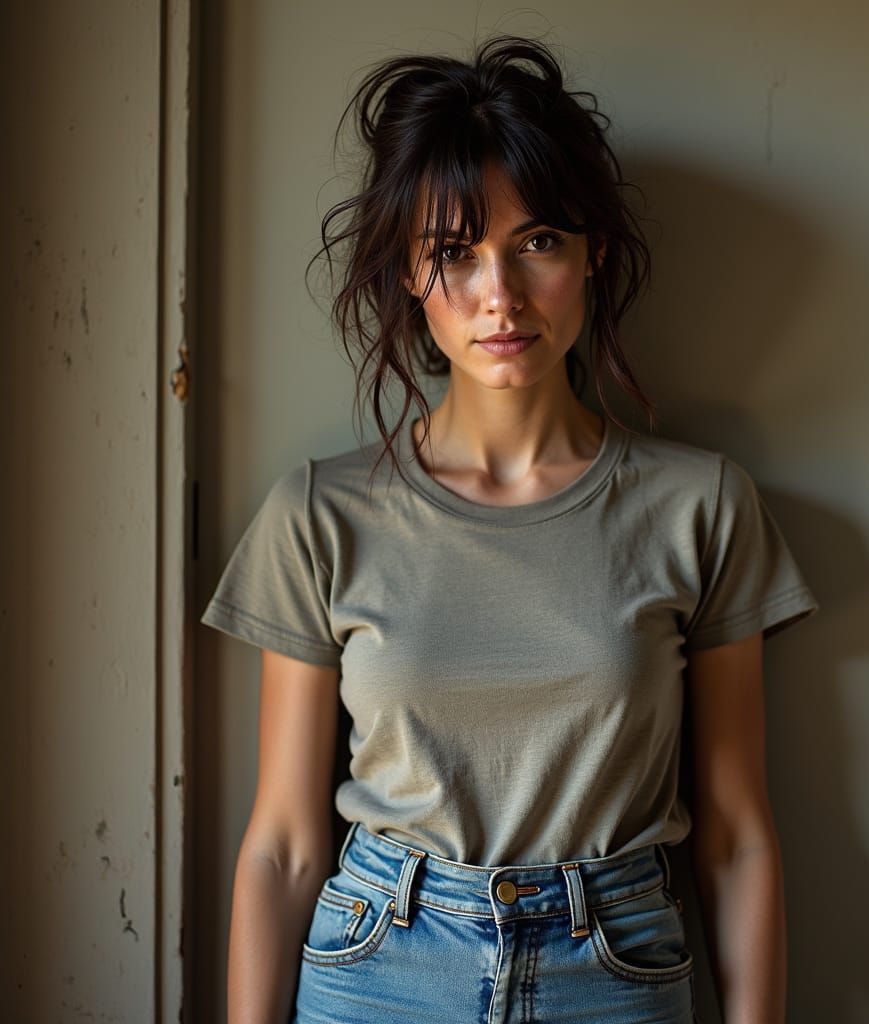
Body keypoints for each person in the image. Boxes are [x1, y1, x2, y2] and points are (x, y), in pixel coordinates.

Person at [200, 34, 819, 1024]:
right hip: (376, 964)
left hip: (613, 967)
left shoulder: (700, 505)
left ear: (593, 253)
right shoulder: (317, 514)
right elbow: (282, 840)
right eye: (454, 252)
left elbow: (737, 830)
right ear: (409, 273)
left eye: (537, 242)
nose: (500, 294)